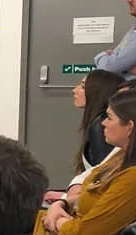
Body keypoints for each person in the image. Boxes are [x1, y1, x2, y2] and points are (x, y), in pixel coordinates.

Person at [20, 86, 136, 235]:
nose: (103, 123)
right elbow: (90, 194)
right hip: (60, 232)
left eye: (109, 118)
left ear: (129, 127)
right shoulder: (120, 157)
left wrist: (57, 221)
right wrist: (60, 205)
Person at [45, 69, 125, 204]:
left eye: (82, 87)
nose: (74, 90)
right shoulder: (99, 122)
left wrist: (66, 199)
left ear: (98, 92)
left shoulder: (100, 126)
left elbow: (103, 177)